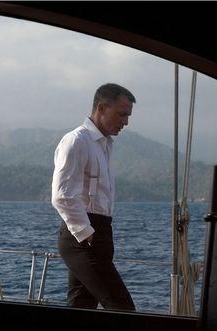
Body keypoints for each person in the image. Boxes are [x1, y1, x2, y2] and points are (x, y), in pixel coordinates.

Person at [51, 83, 136, 311]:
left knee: (82, 309)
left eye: (128, 116)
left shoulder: (104, 145)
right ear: (101, 107)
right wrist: (87, 234)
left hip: (100, 232)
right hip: (83, 237)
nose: (125, 122)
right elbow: (62, 195)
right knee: (123, 309)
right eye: (122, 114)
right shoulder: (77, 141)